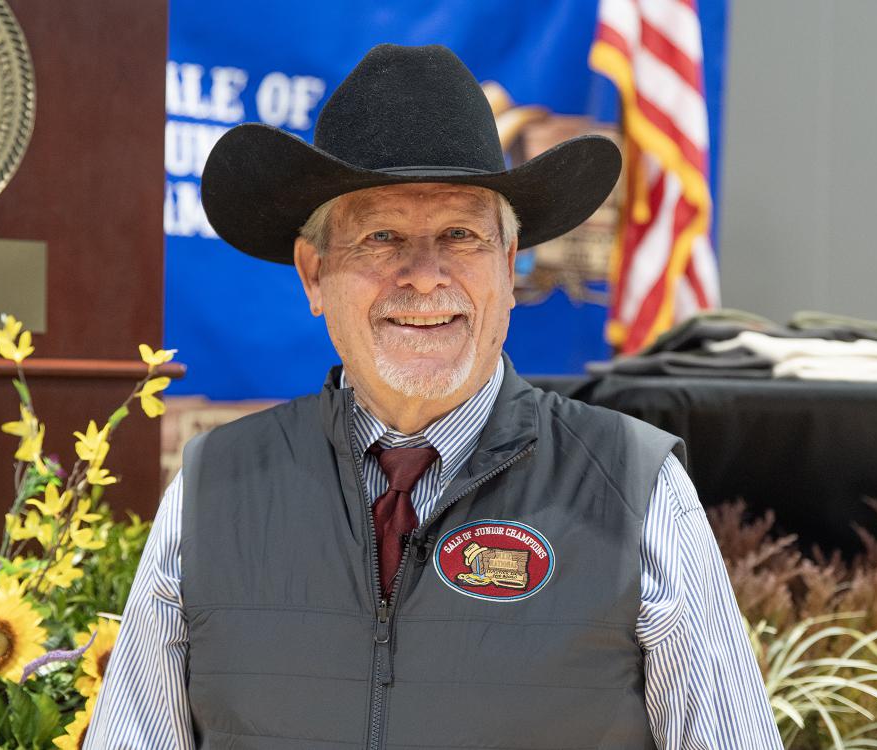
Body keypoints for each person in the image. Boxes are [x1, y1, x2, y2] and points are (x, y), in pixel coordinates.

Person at [86, 44, 781, 749]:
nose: (424, 277)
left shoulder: (638, 489)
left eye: (460, 234)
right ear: (314, 274)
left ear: (508, 269)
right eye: (382, 237)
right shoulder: (211, 490)